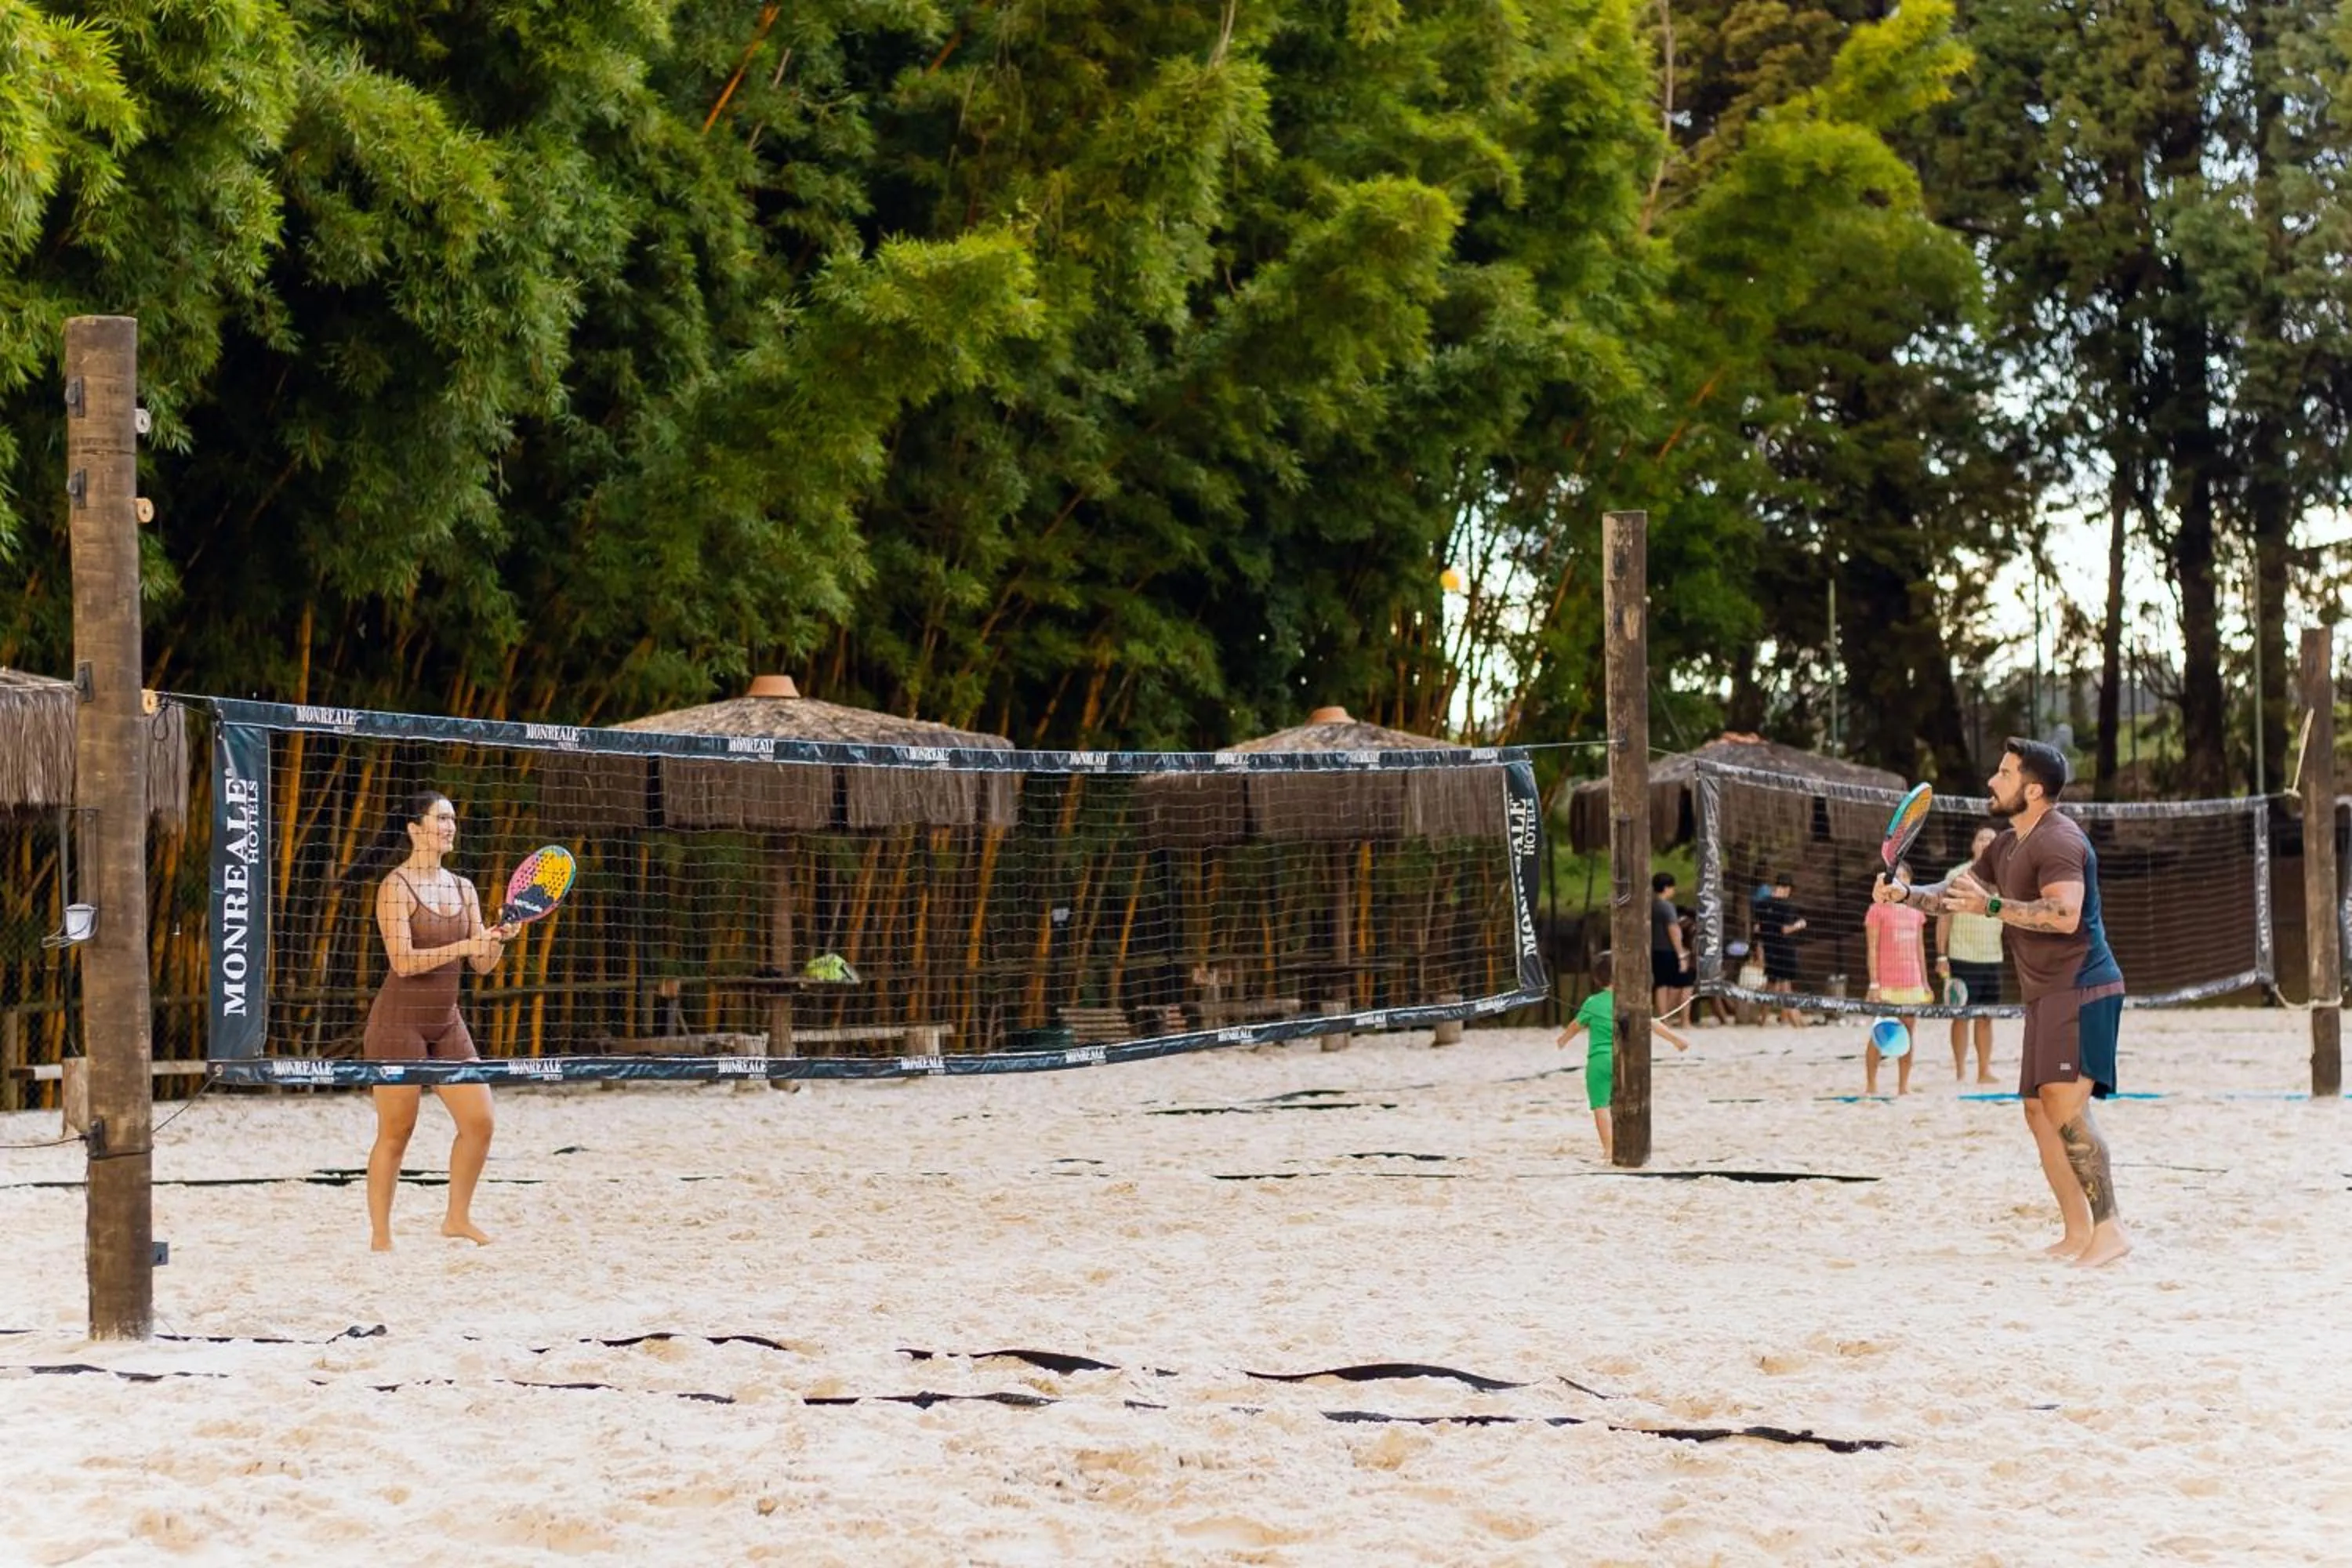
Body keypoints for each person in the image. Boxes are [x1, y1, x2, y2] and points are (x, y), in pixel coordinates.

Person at [1875, 739, 2131, 1267]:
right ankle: (2077, 1232)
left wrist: (1991, 905)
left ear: (2032, 790)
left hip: (2082, 986)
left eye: (2004, 773)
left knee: (2064, 1106)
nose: (1992, 781)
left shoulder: (2059, 841)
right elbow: (1952, 895)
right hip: (2045, 994)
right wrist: (1904, 896)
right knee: (2039, 1112)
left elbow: (2063, 914)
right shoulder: (2007, 844)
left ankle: (2111, 1230)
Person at [355, 790, 517, 1250]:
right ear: (414, 829)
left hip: (446, 1023)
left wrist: (501, 938)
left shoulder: (463, 887)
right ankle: (381, 1237)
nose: (450, 826)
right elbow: (403, 963)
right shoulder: (395, 887)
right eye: (441, 818)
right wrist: (467, 946)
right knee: (397, 1132)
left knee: (480, 1122)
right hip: (397, 1024)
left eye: (452, 818)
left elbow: (482, 965)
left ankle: (457, 1219)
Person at [1558, 951, 1690, 1161]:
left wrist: (1563, 1039)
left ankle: (1609, 1149)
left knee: (1600, 1105)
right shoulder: (1630, 1000)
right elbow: (1652, 1023)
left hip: (1600, 1060)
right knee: (1627, 1103)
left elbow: (1575, 1026)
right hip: (1626, 1060)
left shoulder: (1592, 1002)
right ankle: (1635, 1144)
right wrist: (1676, 1040)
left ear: (1596, 978)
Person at [1936, 825, 2005, 1084]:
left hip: (1993, 957)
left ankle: (1984, 1070)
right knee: (1960, 1016)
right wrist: (1941, 956)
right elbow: (1944, 919)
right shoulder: (1957, 875)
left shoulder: (2004, 877)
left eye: (1992, 839)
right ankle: (1960, 1071)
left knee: (1986, 1017)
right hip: (1962, 956)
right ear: (1973, 845)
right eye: (1982, 838)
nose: (1987, 842)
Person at [1863, 858, 1933, 1095]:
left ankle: (1903, 1086)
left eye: (1905, 877)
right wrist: (1874, 983)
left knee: (1909, 1033)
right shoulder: (1877, 910)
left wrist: (1924, 982)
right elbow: (1872, 948)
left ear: (1910, 882)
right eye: (1897, 877)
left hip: (1911, 980)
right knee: (1880, 1032)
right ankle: (1871, 1084)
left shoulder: (1916, 911)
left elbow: (1920, 948)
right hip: (1887, 982)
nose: (1901, 880)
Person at [1755, 873, 1809, 1025]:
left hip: (1769, 948)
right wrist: (1799, 925)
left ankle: (1763, 1019)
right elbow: (1785, 930)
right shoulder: (1787, 906)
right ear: (1788, 888)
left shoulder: (1762, 904)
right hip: (1784, 950)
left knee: (1770, 985)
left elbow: (1758, 927)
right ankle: (1796, 1022)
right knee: (1786, 987)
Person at [1650, 873, 1691, 1021]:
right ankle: (1672, 1014)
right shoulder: (1667, 907)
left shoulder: (1651, 905)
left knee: (1661, 984)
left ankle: (1663, 1017)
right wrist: (1681, 953)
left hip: (1655, 949)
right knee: (1678, 982)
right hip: (1668, 949)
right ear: (1666, 888)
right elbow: (1673, 929)